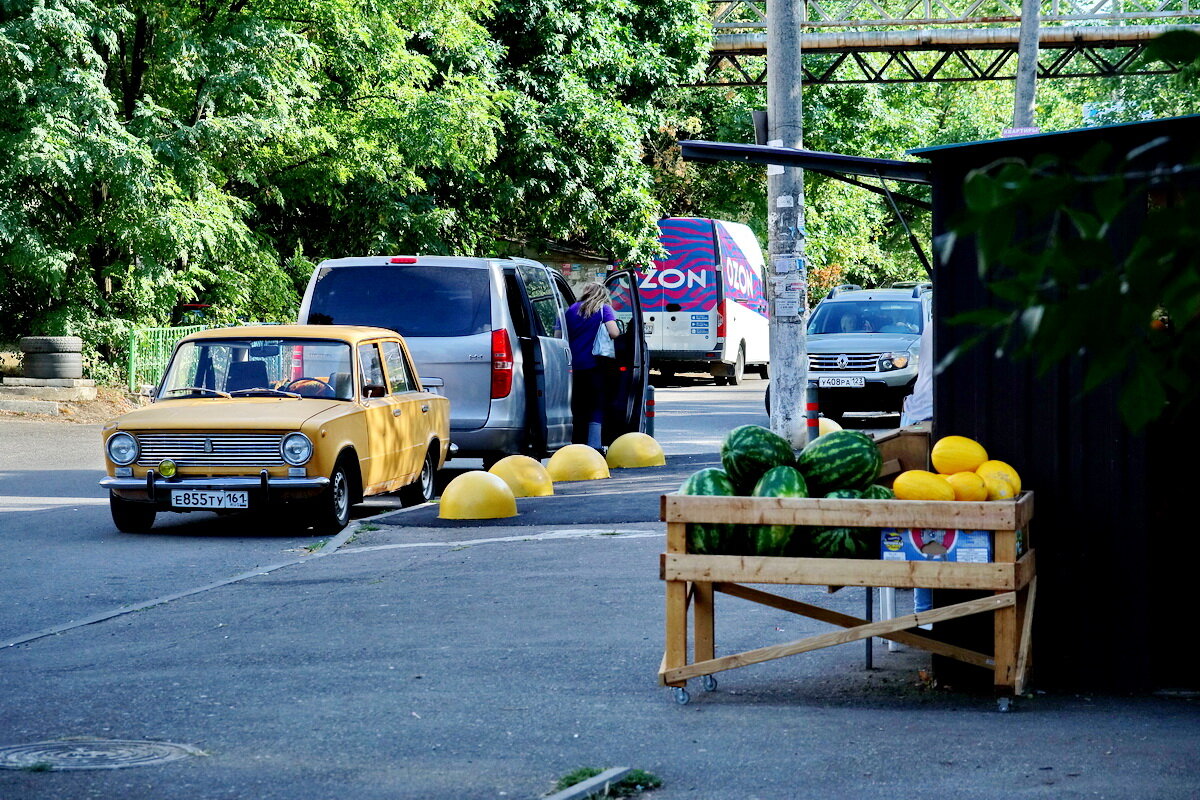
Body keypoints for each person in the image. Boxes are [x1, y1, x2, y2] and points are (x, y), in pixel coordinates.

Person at [565, 283, 621, 449]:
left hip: (573, 365)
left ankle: (576, 445)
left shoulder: (571, 310)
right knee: (596, 404)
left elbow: (558, 335)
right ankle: (594, 446)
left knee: (577, 406)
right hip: (595, 365)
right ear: (603, 294)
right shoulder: (604, 309)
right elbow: (614, 333)